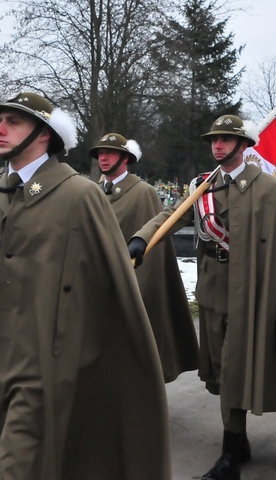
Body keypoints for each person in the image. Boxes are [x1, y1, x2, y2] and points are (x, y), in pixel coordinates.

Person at [0, 92, 171, 479]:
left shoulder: (80, 195)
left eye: (13, 121)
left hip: (47, 365)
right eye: (0, 121)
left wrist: (99, 363)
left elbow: (114, 286)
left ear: (44, 134)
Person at [128, 114, 276, 480]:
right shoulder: (203, 186)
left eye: (225, 139)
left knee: (233, 371)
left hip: (250, 294)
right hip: (212, 291)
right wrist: (144, 238)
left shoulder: (266, 187)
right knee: (217, 371)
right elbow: (173, 214)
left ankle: (230, 453)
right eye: (213, 140)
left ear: (244, 145)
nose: (217, 145)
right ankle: (240, 438)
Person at [89, 132, 198, 383]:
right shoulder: (93, 192)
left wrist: (138, 290)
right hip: (96, 284)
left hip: (130, 284)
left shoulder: (143, 193)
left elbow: (154, 249)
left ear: (126, 158)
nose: (103, 158)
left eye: (110, 153)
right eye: (100, 154)